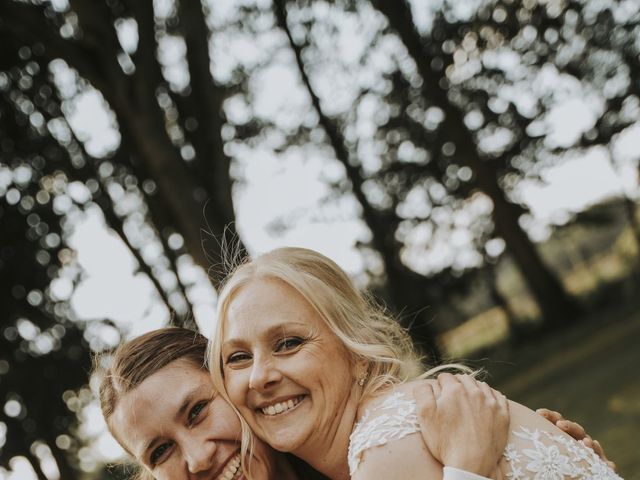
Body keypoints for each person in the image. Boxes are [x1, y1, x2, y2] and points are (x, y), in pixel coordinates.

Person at [210, 247, 621, 480]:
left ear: (356, 350)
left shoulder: (386, 447)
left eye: (288, 343)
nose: (261, 375)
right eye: (239, 357)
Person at [95, 327, 603, 480]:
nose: (198, 457)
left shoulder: (368, 458)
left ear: (236, 386)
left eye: (197, 411)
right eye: (159, 451)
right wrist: (469, 467)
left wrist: (547, 461)